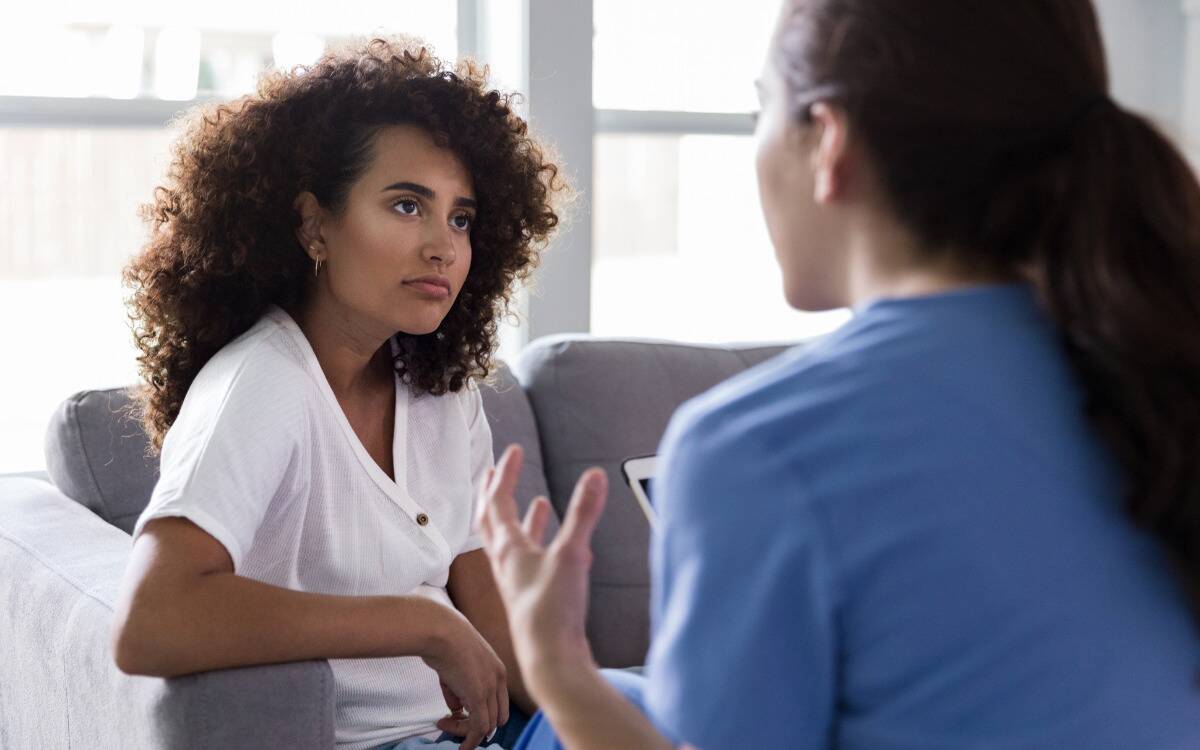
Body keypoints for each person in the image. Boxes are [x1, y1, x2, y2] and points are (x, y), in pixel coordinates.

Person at [477, 1, 1200, 748]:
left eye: (764, 109)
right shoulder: (1160, 379)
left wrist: (557, 668)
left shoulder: (760, 449)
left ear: (827, 140)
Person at [111, 37, 564, 750]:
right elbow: (151, 620)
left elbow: (478, 586)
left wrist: (590, 709)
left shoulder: (441, 390)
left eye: (462, 218)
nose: (443, 246)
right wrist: (424, 623)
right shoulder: (262, 384)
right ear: (314, 224)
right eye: (408, 205)